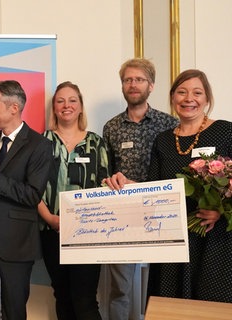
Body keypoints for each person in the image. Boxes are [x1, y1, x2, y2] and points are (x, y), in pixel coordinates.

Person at [106, 69, 232, 303]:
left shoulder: (225, 131)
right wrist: (126, 184)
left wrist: (220, 210)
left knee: (211, 307)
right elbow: (153, 187)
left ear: (207, 98)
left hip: (213, 241)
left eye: (197, 92)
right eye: (181, 92)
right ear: (173, 97)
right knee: (170, 306)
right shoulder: (163, 139)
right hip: (171, 239)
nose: (188, 99)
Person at [0, 80, 53, 320]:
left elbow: (32, 195)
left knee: (13, 311)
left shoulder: (40, 146)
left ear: (14, 108)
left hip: (16, 242)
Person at [102, 58, 179, 320]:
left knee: (162, 288)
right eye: (127, 80)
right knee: (120, 289)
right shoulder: (111, 127)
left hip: (162, 214)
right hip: (122, 218)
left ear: (151, 85)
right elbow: (107, 172)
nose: (132, 84)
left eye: (139, 79)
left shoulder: (169, 124)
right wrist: (109, 181)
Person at [39, 81, 110, 320]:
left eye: (72, 100)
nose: (66, 105)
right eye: (60, 101)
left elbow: (104, 185)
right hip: (51, 229)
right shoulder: (40, 142)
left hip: (88, 232)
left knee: (85, 299)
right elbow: (32, 188)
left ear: (80, 107)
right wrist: (49, 218)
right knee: (62, 295)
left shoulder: (96, 142)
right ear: (54, 108)